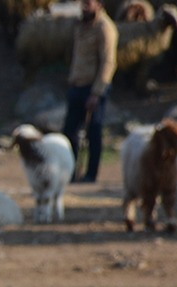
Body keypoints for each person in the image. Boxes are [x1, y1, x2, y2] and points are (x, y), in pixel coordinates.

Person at [62, 0, 117, 184]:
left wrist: (97, 92)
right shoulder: (81, 26)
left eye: (88, 3)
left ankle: (91, 175)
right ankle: (70, 171)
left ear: (99, 4)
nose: (84, 7)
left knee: (93, 132)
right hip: (77, 85)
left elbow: (108, 62)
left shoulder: (105, 28)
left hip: (93, 88)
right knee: (69, 131)